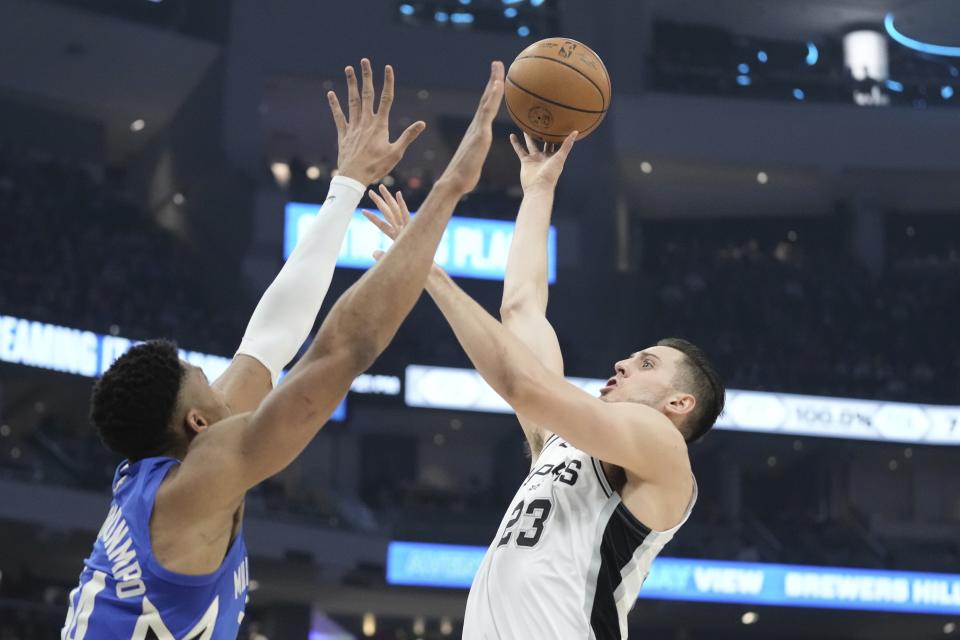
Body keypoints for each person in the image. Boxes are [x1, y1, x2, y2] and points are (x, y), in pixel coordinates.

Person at [60, 59, 505, 640]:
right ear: (197, 422)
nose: (221, 380)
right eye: (203, 377)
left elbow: (268, 340)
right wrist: (448, 193)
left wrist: (346, 186)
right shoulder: (197, 482)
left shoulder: (167, 472)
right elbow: (341, 352)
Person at [363, 131, 725, 640]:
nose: (622, 363)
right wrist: (537, 189)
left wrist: (426, 267)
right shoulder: (561, 442)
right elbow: (521, 309)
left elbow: (523, 384)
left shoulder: (661, 446)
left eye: (645, 364)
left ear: (679, 402)